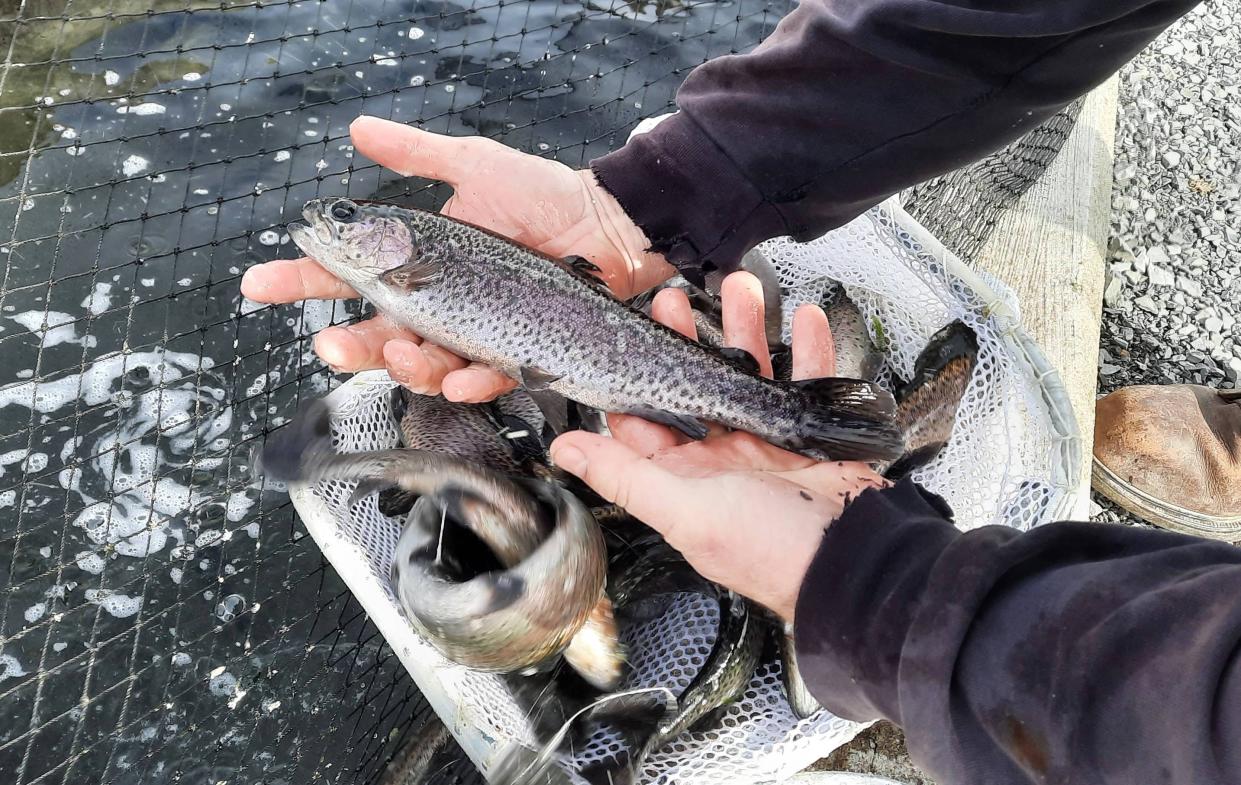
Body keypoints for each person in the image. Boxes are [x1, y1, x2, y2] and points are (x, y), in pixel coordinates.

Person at [241, 0, 1241, 781]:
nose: (332, 226)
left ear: (392, 252)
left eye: (343, 218)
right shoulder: (415, 266)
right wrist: (650, 192)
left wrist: (884, 595)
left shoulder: (415, 267)